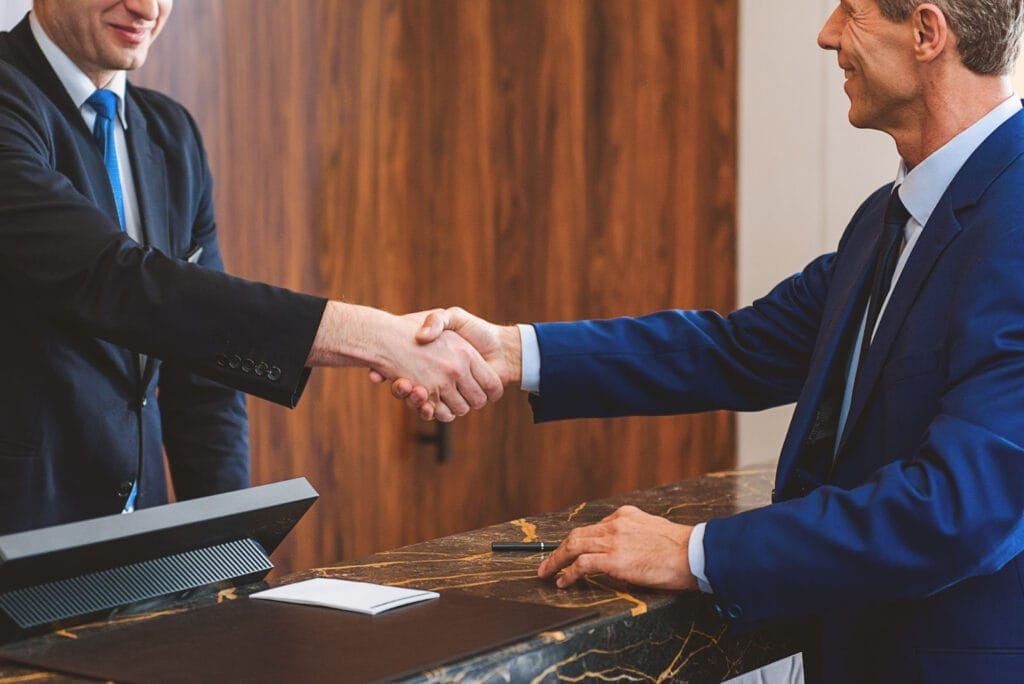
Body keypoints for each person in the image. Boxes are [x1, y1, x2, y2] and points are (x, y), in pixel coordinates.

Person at [385, 1, 1024, 681]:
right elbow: (738, 348)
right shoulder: (887, 218)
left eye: (853, 11)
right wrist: (514, 352)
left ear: (927, 33)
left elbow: (958, 509)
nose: (828, 33)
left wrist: (695, 552)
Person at [0, 0, 502, 535]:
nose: (147, 7)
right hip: (21, 539)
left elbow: (205, 375)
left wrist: (224, 559)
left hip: (134, 557)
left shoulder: (171, 134)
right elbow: (113, 278)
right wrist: (373, 335)